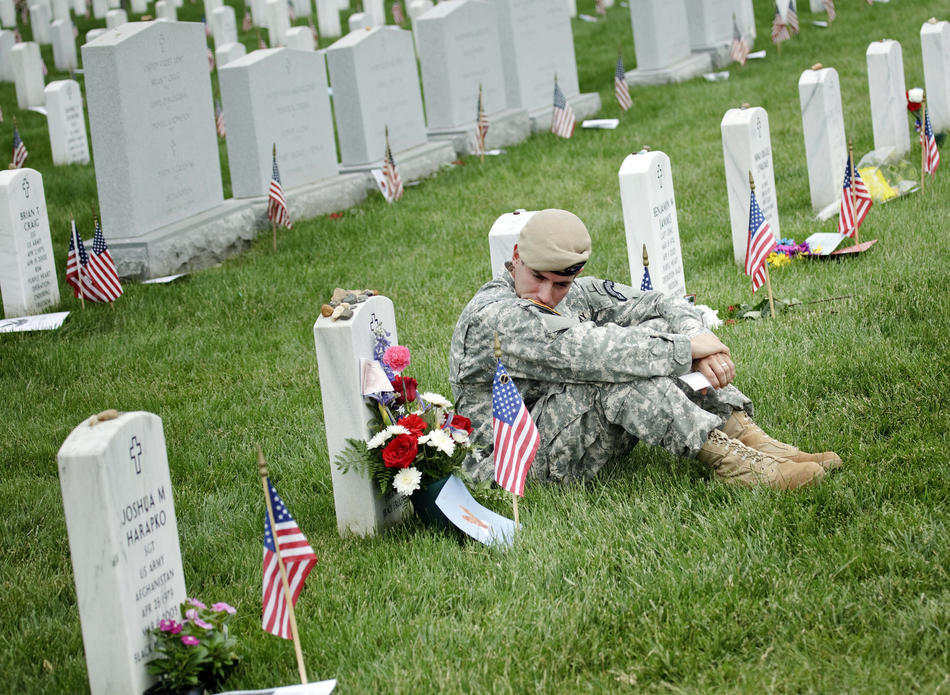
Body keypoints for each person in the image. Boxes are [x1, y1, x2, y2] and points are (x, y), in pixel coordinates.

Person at [448, 209, 841, 490]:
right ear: (516, 257)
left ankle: (748, 437)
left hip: (558, 434)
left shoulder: (571, 292)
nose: (548, 296)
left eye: (561, 285)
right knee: (618, 367)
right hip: (510, 464)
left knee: (651, 335)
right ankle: (731, 462)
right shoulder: (495, 316)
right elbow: (594, 353)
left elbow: (659, 304)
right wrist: (688, 347)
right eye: (537, 279)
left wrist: (696, 339)